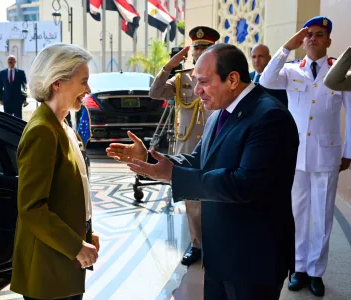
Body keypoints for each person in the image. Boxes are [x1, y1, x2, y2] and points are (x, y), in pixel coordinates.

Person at [107, 43, 299, 300]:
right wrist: (154, 160)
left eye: (205, 82)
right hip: (219, 254)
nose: (197, 91)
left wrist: (172, 176)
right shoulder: (217, 116)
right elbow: (199, 160)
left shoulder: (269, 117)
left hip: (252, 260)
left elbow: (244, 184)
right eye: (196, 82)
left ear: (232, 79)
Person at [259, 16, 351, 297]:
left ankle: (316, 272)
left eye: (319, 34)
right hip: (295, 156)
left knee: (322, 215)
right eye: (308, 34)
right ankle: (298, 268)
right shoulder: (290, 70)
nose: (313, 39)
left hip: (327, 153)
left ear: (328, 41)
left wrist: (348, 152)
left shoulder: (340, 73)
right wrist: (287, 46)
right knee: (297, 213)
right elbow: (266, 79)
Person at [10, 43, 100, 300]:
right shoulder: (42, 131)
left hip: (63, 260)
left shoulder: (62, 127)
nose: (88, 90)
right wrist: (76, 246)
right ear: (57, 82)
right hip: (48, 268)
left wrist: (86, 233)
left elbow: (70, 193)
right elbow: (32, 208)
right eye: (83, 82)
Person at [149, 26, 220, 266]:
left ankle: (217, 244)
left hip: (215, 144)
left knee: (218, 196)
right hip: (188, 145)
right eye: (197, 47)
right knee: (193, 199)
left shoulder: (221, 75)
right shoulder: (181, 78)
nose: (199, 51)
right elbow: (155, 92)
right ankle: (197, 244)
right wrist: (169, 66)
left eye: (205, 47)